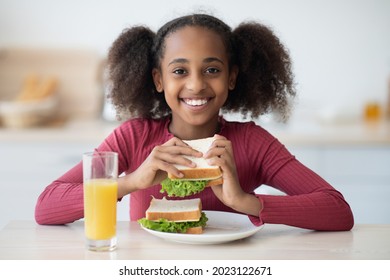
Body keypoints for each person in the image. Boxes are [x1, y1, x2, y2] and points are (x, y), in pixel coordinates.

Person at [35, 13, 354, 231]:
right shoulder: (134, 136)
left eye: (212, 70)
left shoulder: (252, 142)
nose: (196, 85)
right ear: (159, 80)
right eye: (180, 71)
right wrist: (133, 181)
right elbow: (45, 207)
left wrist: (242, 201)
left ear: (231, 78)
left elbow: (338, 211)